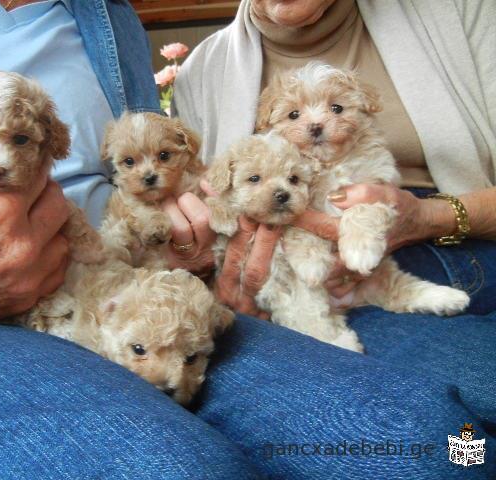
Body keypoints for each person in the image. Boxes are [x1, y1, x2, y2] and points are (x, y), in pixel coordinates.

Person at [0, 2, 493, 480]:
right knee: (173, 468)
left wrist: (190, 245)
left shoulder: (110, 16)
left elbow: (163, 168)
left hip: (133, 280)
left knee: (436, 446)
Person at [169, 0, 496, 477]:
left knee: (460, 425)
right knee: (435, 448)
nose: (317, 124)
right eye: (296, 114)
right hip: (301, 288)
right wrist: (215, 265)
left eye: (335, 109)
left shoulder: (461, 10)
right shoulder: (201, 71)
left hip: (456, 243)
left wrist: (431, 216)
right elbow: (206, 208)